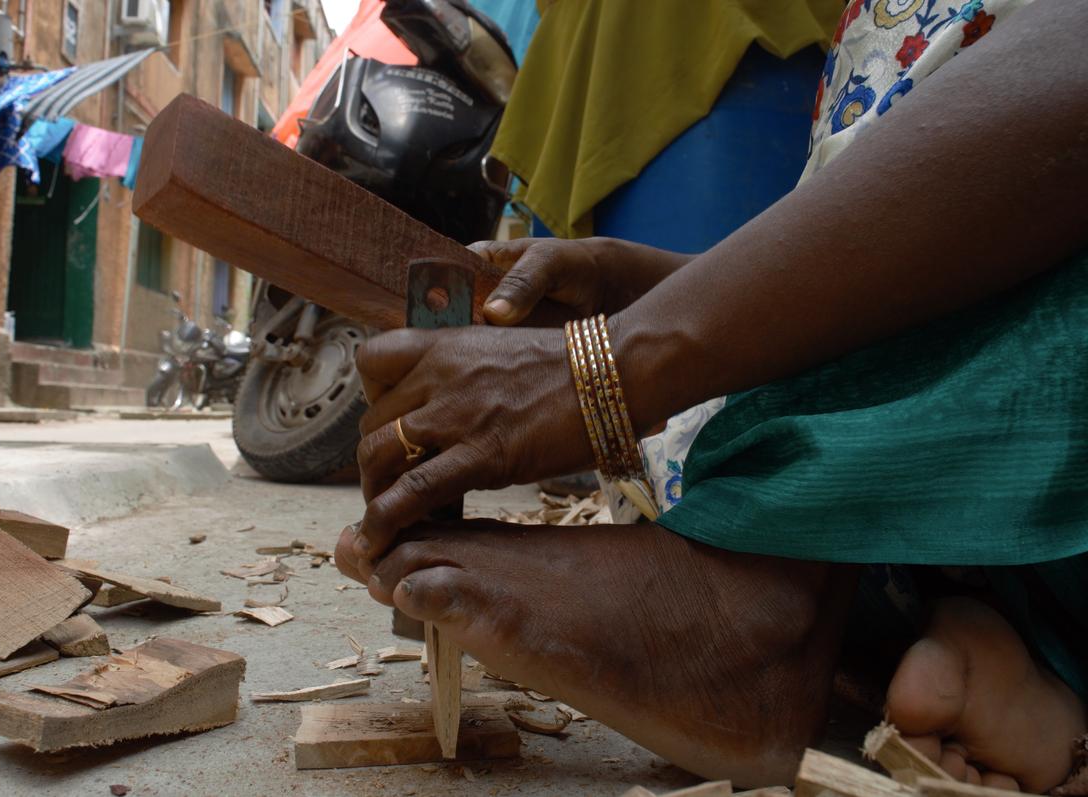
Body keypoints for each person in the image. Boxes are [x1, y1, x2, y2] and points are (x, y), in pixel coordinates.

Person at [335, 0, 1088, 788]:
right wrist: (669, 292)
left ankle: (764, 613)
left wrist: (614, 363)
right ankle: (1001, 646)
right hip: (984, 524)